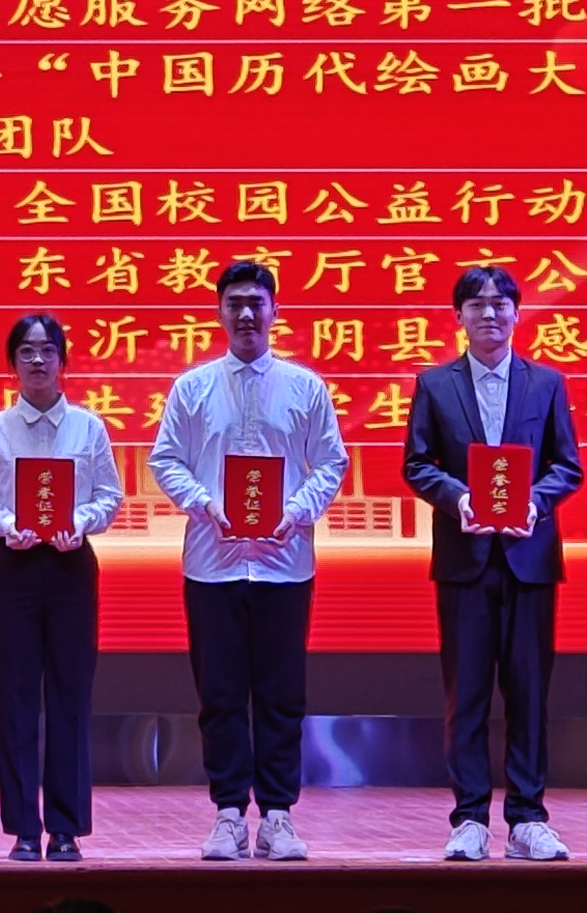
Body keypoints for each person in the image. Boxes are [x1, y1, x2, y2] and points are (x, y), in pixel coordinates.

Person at [146, 259, 348, 864]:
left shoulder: (305, 387)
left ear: (275, 311)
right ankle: (229, 813)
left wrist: (297, 511)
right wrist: (204, 503)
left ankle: (278, 815)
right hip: (213, 564)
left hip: (285, 564)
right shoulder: (192, 387)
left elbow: (331, 462)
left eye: (256, 303)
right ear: (218, 312)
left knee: (282, 694)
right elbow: (165, 460)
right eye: (234, 303)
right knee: (221, 693)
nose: (245, 314)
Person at [397, 263, 585, 862]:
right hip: (465, 559)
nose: (489, 313)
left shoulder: (546, 383)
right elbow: (417, 464)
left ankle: (528, 818)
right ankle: (470, 818)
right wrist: (459, 499)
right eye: (476, 304)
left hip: (529, 559)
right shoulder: (435, 384)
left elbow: (568, 465)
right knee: (467, 695)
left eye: (500, 303)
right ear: (459, 317)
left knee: (529, 694)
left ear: (517, 314)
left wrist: (535, 501)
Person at [0, 313, 124, 862]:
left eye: (47, 350)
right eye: (26, 351)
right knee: (15, 696)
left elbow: (109, 495)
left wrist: (81, 522)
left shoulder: (89, 428)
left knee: (71, 695)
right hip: (15, 568)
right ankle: (25, 829)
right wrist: (9, 524)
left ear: (62, 360)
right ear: (12, 363)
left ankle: (67, 828)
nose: (36, 360)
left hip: (72, 566)